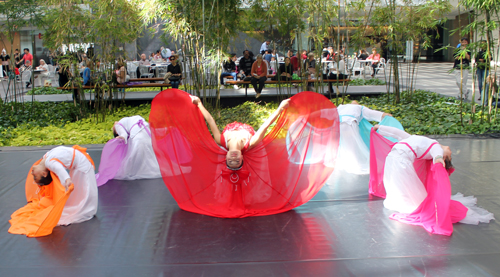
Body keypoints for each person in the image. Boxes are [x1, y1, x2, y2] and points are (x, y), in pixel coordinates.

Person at [149, 89, 339, 218]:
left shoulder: (220, 141)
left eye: (230, 160)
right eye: (236, 160)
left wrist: (198, 104)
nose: (233, 158)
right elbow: (266, 125)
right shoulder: (251, 143)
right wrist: (281, 108)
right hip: (246, 130)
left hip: (231, 128)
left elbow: (209, 120)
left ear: (225, 157)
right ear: (241, 158)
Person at [370, 125, 494, 235]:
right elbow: (398, 134)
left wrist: (439, 159)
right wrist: (381, 129)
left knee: (403, 187)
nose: (450, 152)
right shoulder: (422, 141)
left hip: (397, 161)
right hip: (393, 159)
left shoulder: (435, 147)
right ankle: (402, 202)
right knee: (398, 185)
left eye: (449, 156)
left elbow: (437, 154)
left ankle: (405, 203)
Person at [9, 145, 98, 237]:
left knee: (84, 189)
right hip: (81, 164)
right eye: (35, 176)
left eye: (34, 176)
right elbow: (59, 170)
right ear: (44, 173)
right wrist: (67, 180)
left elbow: (59, 170)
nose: (32, 173)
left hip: (81, 163)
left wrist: (67, 180)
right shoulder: (49, 163)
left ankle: (84, 209)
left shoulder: (47, 160)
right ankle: (83, 208)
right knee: (83, 190)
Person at [96, 116, 161, 186]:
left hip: (139, 134)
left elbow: (124, 135)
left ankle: (137, 170)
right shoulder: (119, 125)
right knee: (147, 154)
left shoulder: (121, 123)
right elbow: (124, 134)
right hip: (146, 133)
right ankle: (146, 169)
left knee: (134, 156)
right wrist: (122, 137)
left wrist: (120, 138)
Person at [336, 101, 392, 174]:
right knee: (352, 146)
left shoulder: (340, 107)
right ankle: (354, 164)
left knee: (343, 145)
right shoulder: (360, 108)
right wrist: (386, 115)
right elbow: (372, 114)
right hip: (350, 124)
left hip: (337, 125)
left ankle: (345, 163)